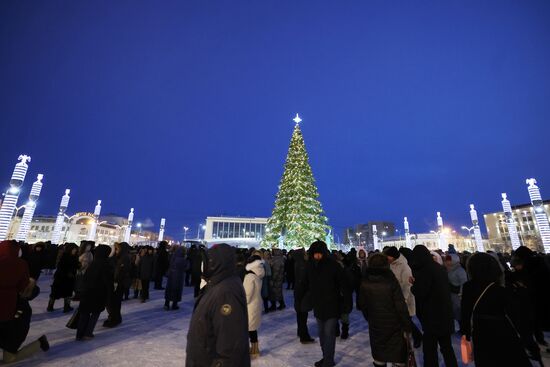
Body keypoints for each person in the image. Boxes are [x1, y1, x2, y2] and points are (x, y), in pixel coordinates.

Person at [461, 253, 534, 366]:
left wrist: (467, 334)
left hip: (480, 334)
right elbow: (517, 318)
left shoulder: (468, 287)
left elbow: (465, 313)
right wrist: (530, 343)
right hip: (502, 333)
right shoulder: (499, 289)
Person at [186, 243, 250, 367]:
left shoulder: (226, 292)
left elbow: (230, 348)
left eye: (207, 261)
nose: (203, 265)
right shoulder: (216, 284)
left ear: (217, 263)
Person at [0, 240, 49, 363]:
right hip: (10, 307)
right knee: (9, 354)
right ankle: (39, 343)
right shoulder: (21, 264)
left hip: (10, 310)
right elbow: (24, 287)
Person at [359, 253, 411, 367]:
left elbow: (362, 304)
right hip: (394, 325)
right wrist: (407, 324)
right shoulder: (391, 280)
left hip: (376, 324)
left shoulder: (365, 282)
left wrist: (370, 317)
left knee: (379, 356)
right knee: (397, 356)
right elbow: (400, 305)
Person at [301, 240, 348, 367]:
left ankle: (328, 360)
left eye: (319, 254)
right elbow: (304, 284)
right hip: (318, 306)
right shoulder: (310, 266)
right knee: (322, 334)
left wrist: (345, 303)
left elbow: (344, 284)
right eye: (315, 254)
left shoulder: (333, 266)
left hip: (332, 305)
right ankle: (325, 356)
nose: (317, 256)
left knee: (329, 334)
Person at [410, 245, 458, 367]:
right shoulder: (439, 268)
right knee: (447, 348)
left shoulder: (424, 271)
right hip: (445, 314)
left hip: (431, 316)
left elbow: (421, 292)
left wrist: (413, 285)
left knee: (430, 349)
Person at [384, 246, 422, 348]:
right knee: (404, 321)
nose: (387, 258)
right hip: (397, 298)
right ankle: (413, 336)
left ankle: (417, 336)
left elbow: (407, 285)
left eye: (388, 256)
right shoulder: (392, 264)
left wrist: (403, 299)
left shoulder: (404, 267)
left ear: (393, 256)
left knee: (406, 321)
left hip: (405, 299)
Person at [77, 244, 113, 341]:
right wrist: (110, 293)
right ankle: (88, 333)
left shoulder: (93, 263)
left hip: (87, 292)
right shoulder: (106, 264)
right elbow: (108, 281)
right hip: (99, 293)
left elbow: (85, 278)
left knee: (85, 313)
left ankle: (79, 334)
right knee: (95, 313)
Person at [104, 242, 131, 328]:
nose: (116, 250)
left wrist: (116, 280)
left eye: (117, 249)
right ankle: (114, 317)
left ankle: (114, 319)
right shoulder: (119, 257)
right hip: (117, 283)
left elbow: (120, 271)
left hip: (119, 283)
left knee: (115, 302)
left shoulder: (125, 258)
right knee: (114, 302)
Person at [243, 254, 265, 358]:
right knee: (252, 329)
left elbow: (247, 294)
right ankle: (255, 349)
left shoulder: (249, 276)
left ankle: (251, 350)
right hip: (256, 304)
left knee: (247, 328)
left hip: (249, 306)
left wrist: (242, 303)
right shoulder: (259, 273)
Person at [292, 248, 315, 343]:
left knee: (300, 315)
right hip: (302, 293)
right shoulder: (303, 265)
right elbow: (303, 281)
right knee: (302, 315)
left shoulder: (298, 263)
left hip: (299, 292)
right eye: (304, 253)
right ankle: (304, 336)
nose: (306, 254)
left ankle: (301, 332)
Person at [48, 243, 79, 313]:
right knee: (55, 293)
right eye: (74, 249)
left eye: (76, 249)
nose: (75, 250)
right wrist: (67, 273)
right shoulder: (65, 256)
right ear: (70, 249)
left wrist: (78, 265)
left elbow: (76, 266)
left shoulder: (74, 257)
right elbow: (60, 267)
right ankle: (50, 306)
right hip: (62, 278)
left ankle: (66, 306)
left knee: (67, 293)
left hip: (68, 278)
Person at [444, 253, 467, 330]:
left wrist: (461, 294)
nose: (447, 262)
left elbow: (464, 283)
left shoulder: (459, 270)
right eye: (447, 260)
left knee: (458, 311)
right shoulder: (448, 269)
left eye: (449, 260)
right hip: (451, 294)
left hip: (458, 295)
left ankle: (462, 327)